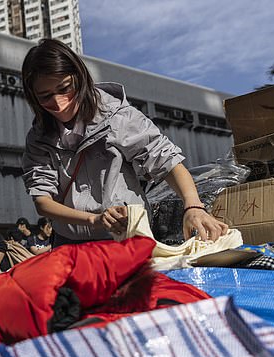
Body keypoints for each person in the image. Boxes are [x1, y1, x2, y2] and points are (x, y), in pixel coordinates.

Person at [21, 39, 228, 246]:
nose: (59, 103)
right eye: (45, 96)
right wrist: (94, 220)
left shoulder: (119, 117)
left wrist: (193, 206)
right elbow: (43, 201)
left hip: (128, 239)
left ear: (80, 77)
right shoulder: (38, 139)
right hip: (68, 245)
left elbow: (167, 161)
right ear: (33, 98)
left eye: (65, 88)